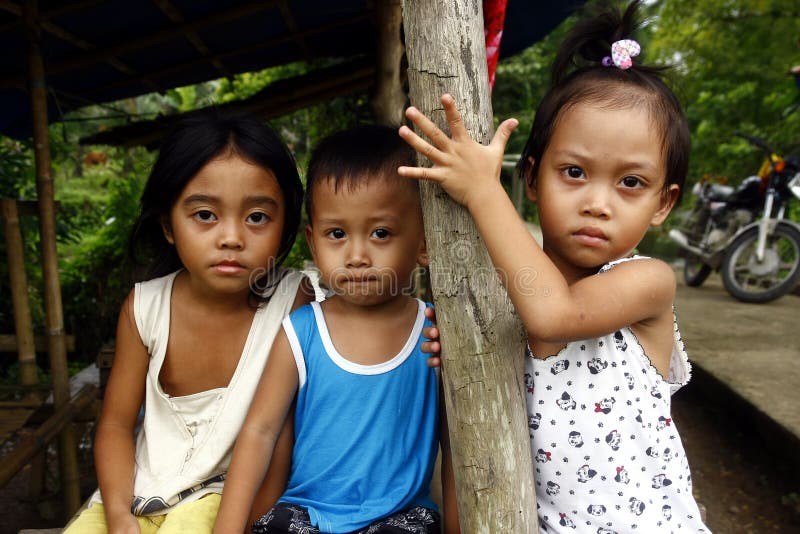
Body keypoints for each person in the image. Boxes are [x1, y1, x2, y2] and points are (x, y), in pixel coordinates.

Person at [397, 1, 711, 531]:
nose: (598, 202)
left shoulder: (648, 282)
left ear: (664, 203)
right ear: (534, 179)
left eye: (630, 182)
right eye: (574, 172)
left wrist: (481, 191)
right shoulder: (507, 303)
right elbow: (477, 418)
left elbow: (554, 315)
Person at [65, 113, 311, 534]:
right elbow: (116, 425)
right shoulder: (145, 307)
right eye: (204, 215)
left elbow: (283, 434)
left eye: (256, 217)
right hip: (132, 492)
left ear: (285, 224)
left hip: (225, 500)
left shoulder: (293, 302)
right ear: (168, 226)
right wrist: (121, 515)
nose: (231, 237)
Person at [213, 125, 458, 534]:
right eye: (337, 234)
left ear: (424, 242)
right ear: (313, 242)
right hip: (304, 514)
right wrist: (228, 528)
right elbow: (259, 431)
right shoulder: (301, 332)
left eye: (381, 233)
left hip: (398, 518)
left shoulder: (433, 331)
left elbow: (456, 441)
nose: (357, 256)